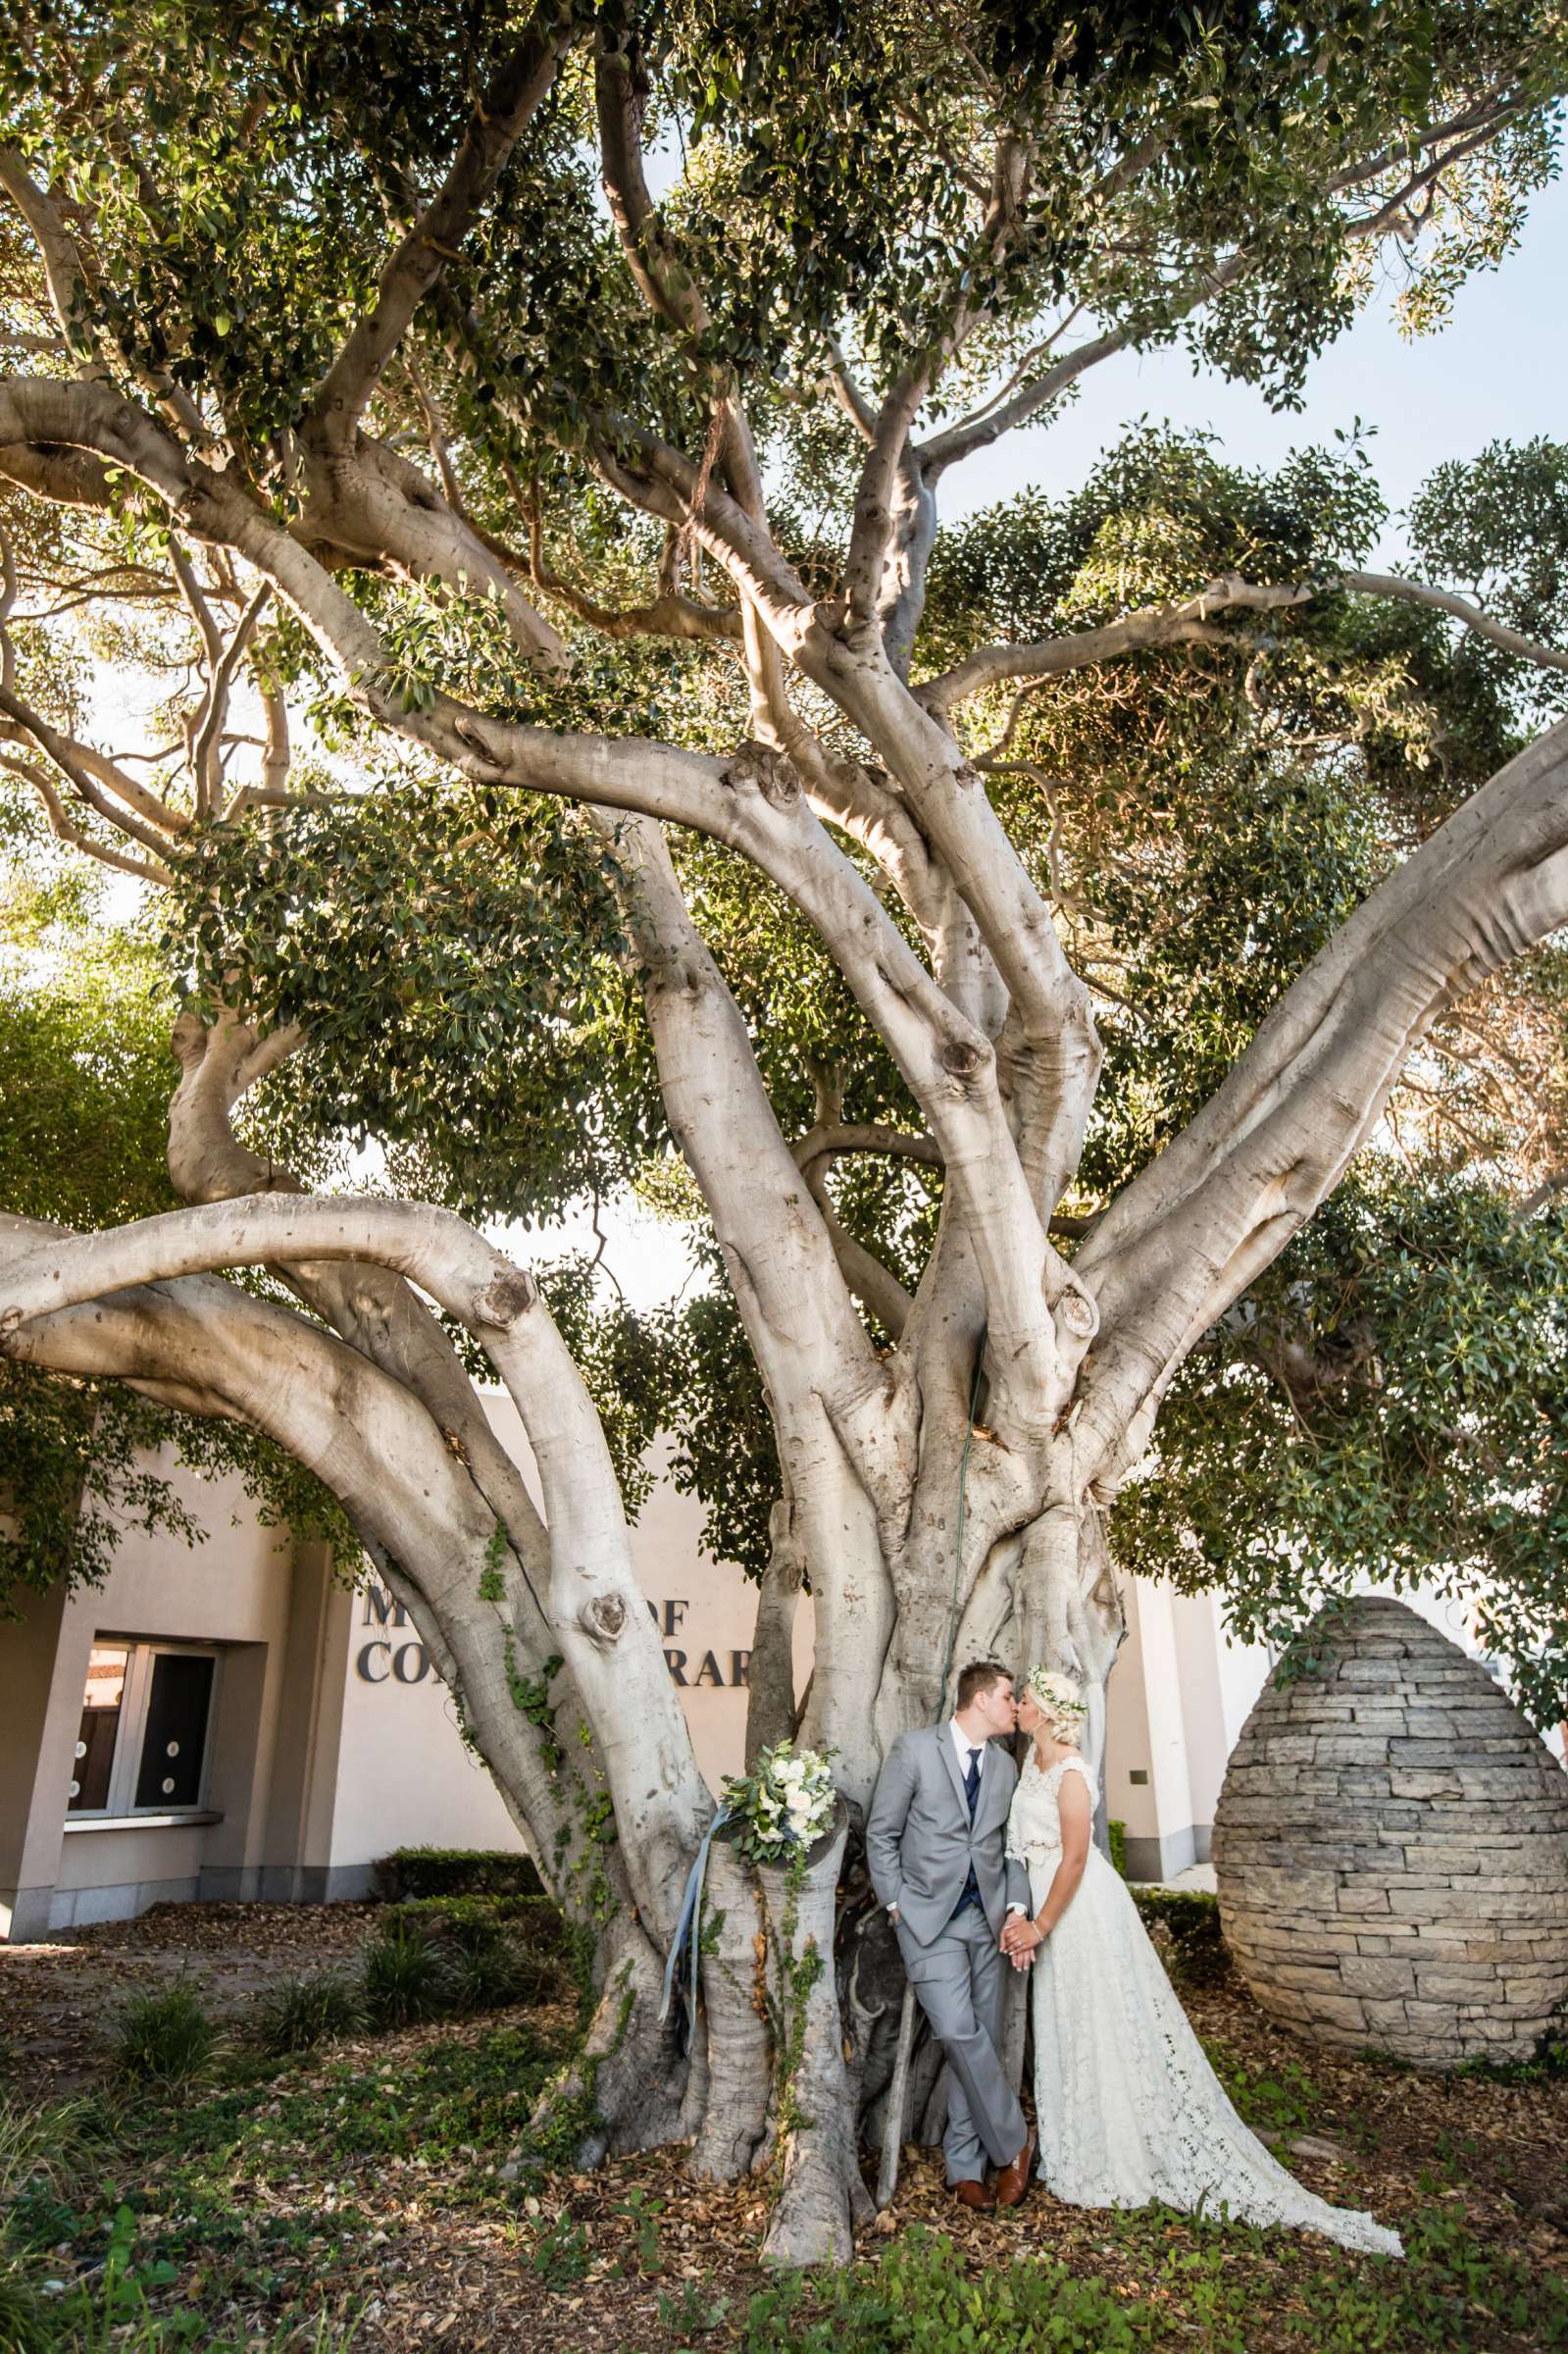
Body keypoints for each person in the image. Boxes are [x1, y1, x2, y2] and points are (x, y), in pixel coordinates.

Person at [1001, 1663, 1403, 2257]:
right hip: (1042, 1909)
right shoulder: (1027, 1764)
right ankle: (1085, 2135)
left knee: (1105, 2022)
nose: (1019, 1706)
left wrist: (1039, 1925)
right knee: (1071, 2024)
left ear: (1049, 1712)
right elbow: (1022, 1849)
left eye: (1026, 1699)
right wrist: (1018, 1913)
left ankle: (1124, 2144)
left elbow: (1075, 1861)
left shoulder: (1070, 1773)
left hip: (1078, 1914)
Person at [865, 1660, 1037, 2211]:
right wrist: (897, 1904)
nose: (1016, 1706)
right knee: (960, 2032)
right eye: (1010, 1696)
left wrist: (1015, 1908)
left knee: (980, 2038)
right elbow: (882, 1831)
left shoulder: (1006, 1769)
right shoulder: (915, 1750)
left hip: (988, 1923)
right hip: (927, 1922)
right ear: (981, 1699)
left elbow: (1011, 1849)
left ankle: (964, 2167)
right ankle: (1016, 2143)